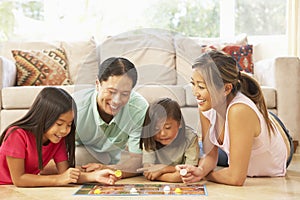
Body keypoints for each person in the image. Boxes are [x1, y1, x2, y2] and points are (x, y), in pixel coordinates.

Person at [176, 50, 294, 186]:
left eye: (201, 86)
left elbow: (235, 178)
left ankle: (261, 117)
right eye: (193, 84)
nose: (195, 92)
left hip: (278, 138)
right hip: (238, 128)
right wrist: (200, 170)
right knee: (201, 149)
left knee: (209, 152)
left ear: (226, 89)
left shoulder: (239, 111)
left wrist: (205, 176)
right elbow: (210, 156)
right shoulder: (206, 106)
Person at [0, 87, 119, 187]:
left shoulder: (56, 139)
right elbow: (19, 179)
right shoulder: (16, 135)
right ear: (43, 117)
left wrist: (95, 176)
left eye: (69, 125)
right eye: (59, 124)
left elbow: (66, 174)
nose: (64, 130)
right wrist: (58, 179)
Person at [73, 57, 149, 178]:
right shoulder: (75, 108)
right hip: (81, 152)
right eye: (111, 91)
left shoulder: (138, 109)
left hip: (114, 157)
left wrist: (107, 169)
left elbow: (137, 161)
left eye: (125, 94)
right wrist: (87, 174)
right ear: (97, 84)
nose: (116, 101)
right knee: (78, 156)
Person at [138, 98, 199, 182]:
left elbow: (189, 173)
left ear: (180, 123)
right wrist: (174, 173)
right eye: (156, 129)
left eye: (168, 127)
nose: (162, 133)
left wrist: (163, 169)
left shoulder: (191, 138)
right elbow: (148, 171)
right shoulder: (150, 139)